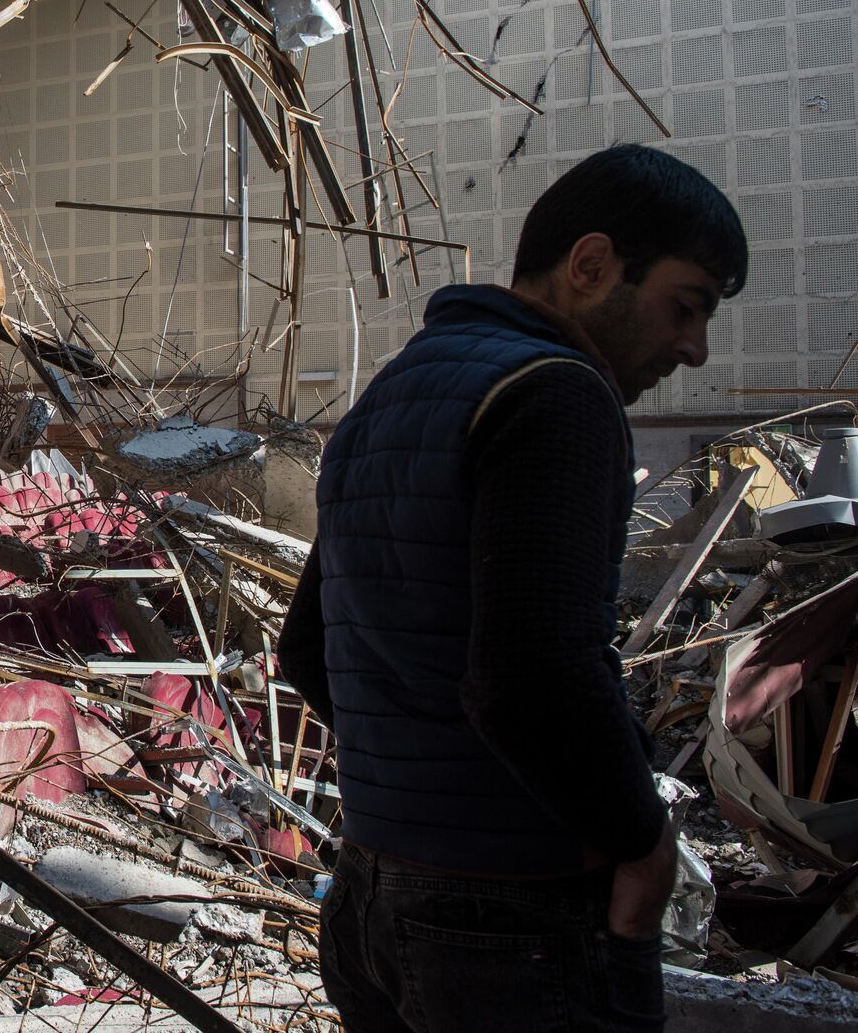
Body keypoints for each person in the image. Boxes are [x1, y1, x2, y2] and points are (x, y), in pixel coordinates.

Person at [275, 144, 747, 1033]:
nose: (694, 347)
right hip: (509, 924)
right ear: (592, 265)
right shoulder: (555, 393)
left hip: (370, 899)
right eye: (686, 307)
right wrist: (645, 847)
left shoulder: (392, 394)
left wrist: (426, 785)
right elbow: (536, 675)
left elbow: (306, 649)